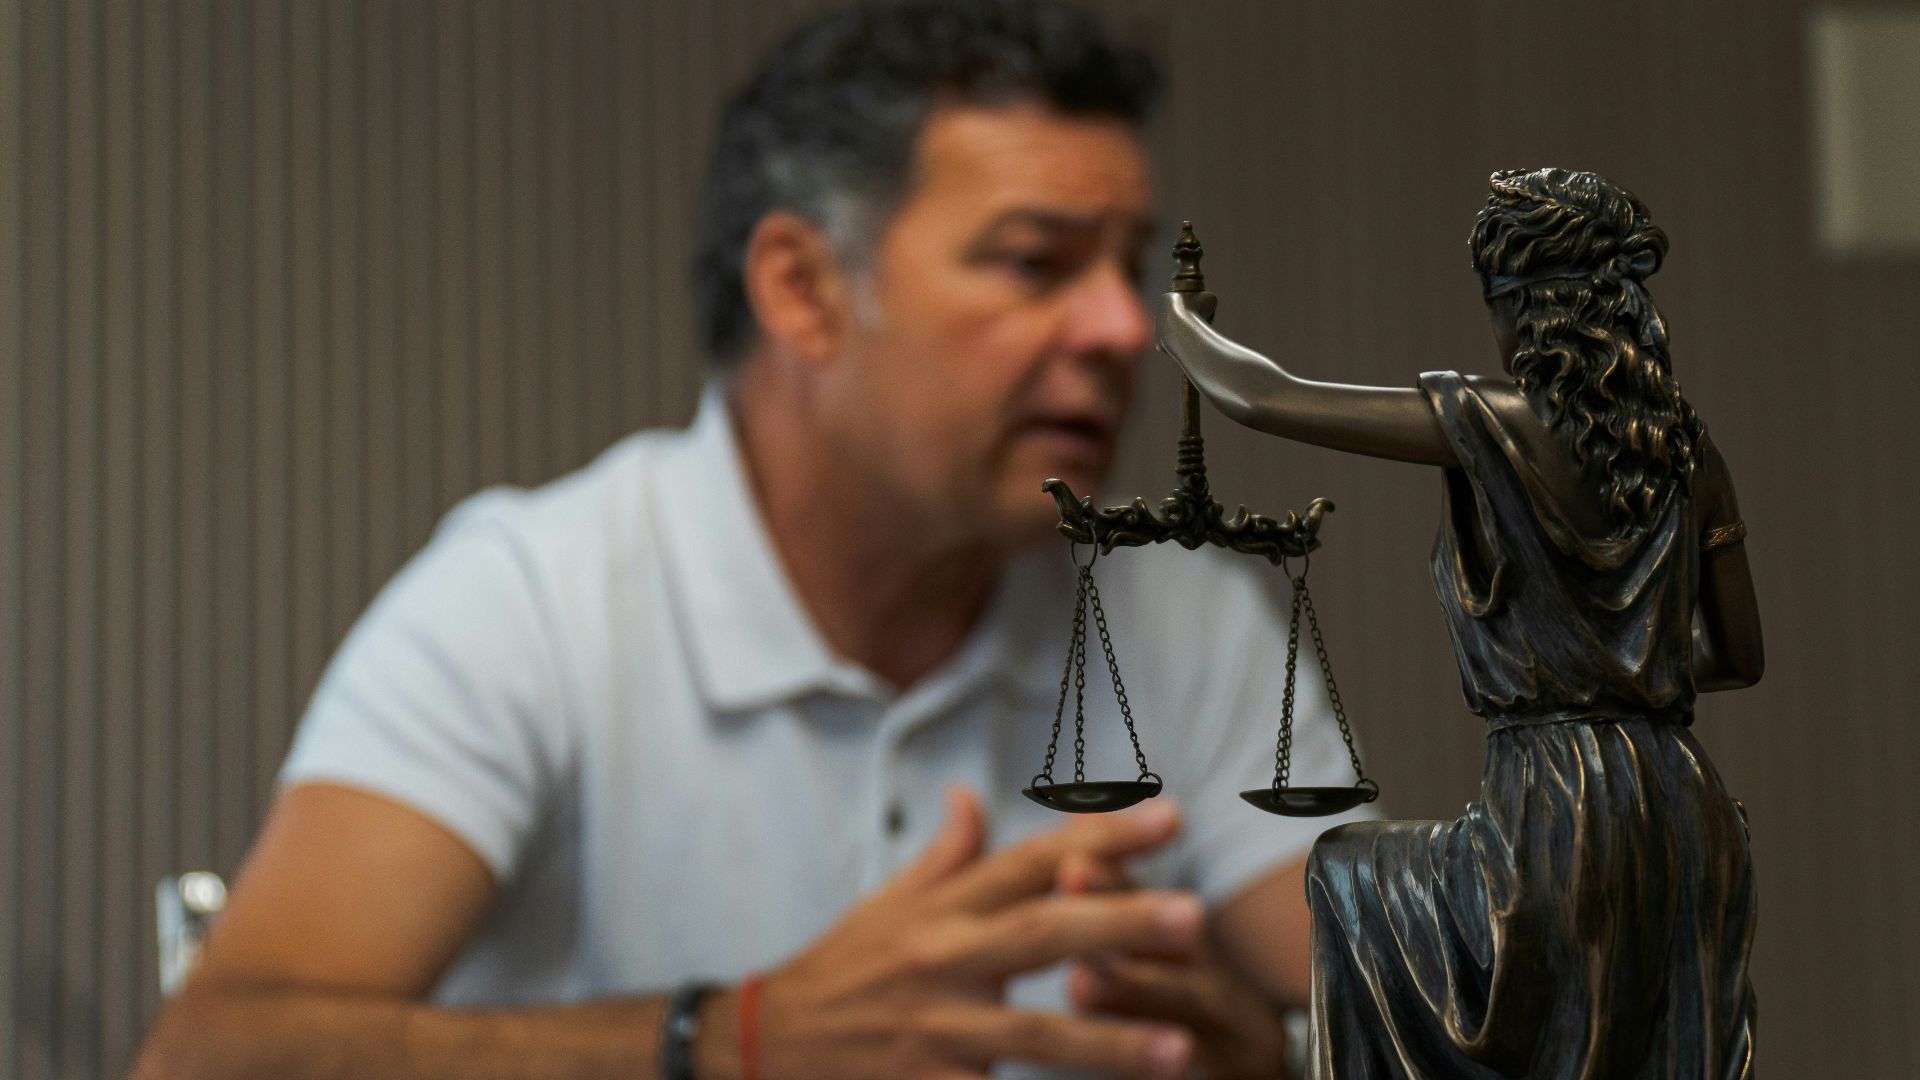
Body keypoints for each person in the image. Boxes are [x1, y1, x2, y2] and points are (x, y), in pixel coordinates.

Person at [132, 3, 1372, 1078]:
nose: (1119, 325)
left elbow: (1420, 1024)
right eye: (1036, 261)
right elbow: (214, 1055)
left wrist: (1275, 1061)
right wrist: (725, 1043)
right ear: (800, 289)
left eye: (1128, 267)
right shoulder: (535, 599)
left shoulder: (1187, 615)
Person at [1156, 167, 1763, 1078]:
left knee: (1352, 884)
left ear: (1524, 307)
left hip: (1557, 811)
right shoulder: (1689, 451)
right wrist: (1626, 676)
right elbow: (1738, 655)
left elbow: (1268, 397)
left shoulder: (1494, 421)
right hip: (1682, 811)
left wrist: (1179, 323)